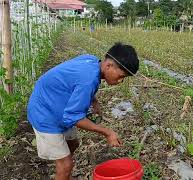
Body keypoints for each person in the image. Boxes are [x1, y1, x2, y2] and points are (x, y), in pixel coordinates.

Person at [27, 43, 139, 180]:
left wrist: (94, 100)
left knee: (73, 143)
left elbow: (76, 81)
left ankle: (62, 170)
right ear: (108, 65)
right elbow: (74, 117)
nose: (121, 81)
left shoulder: (91, 60)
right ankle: (63, 170)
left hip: (56, 103)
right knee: (66, 165)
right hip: (45, 114)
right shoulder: (88, 80)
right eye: (121, 76)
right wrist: (107, 132)